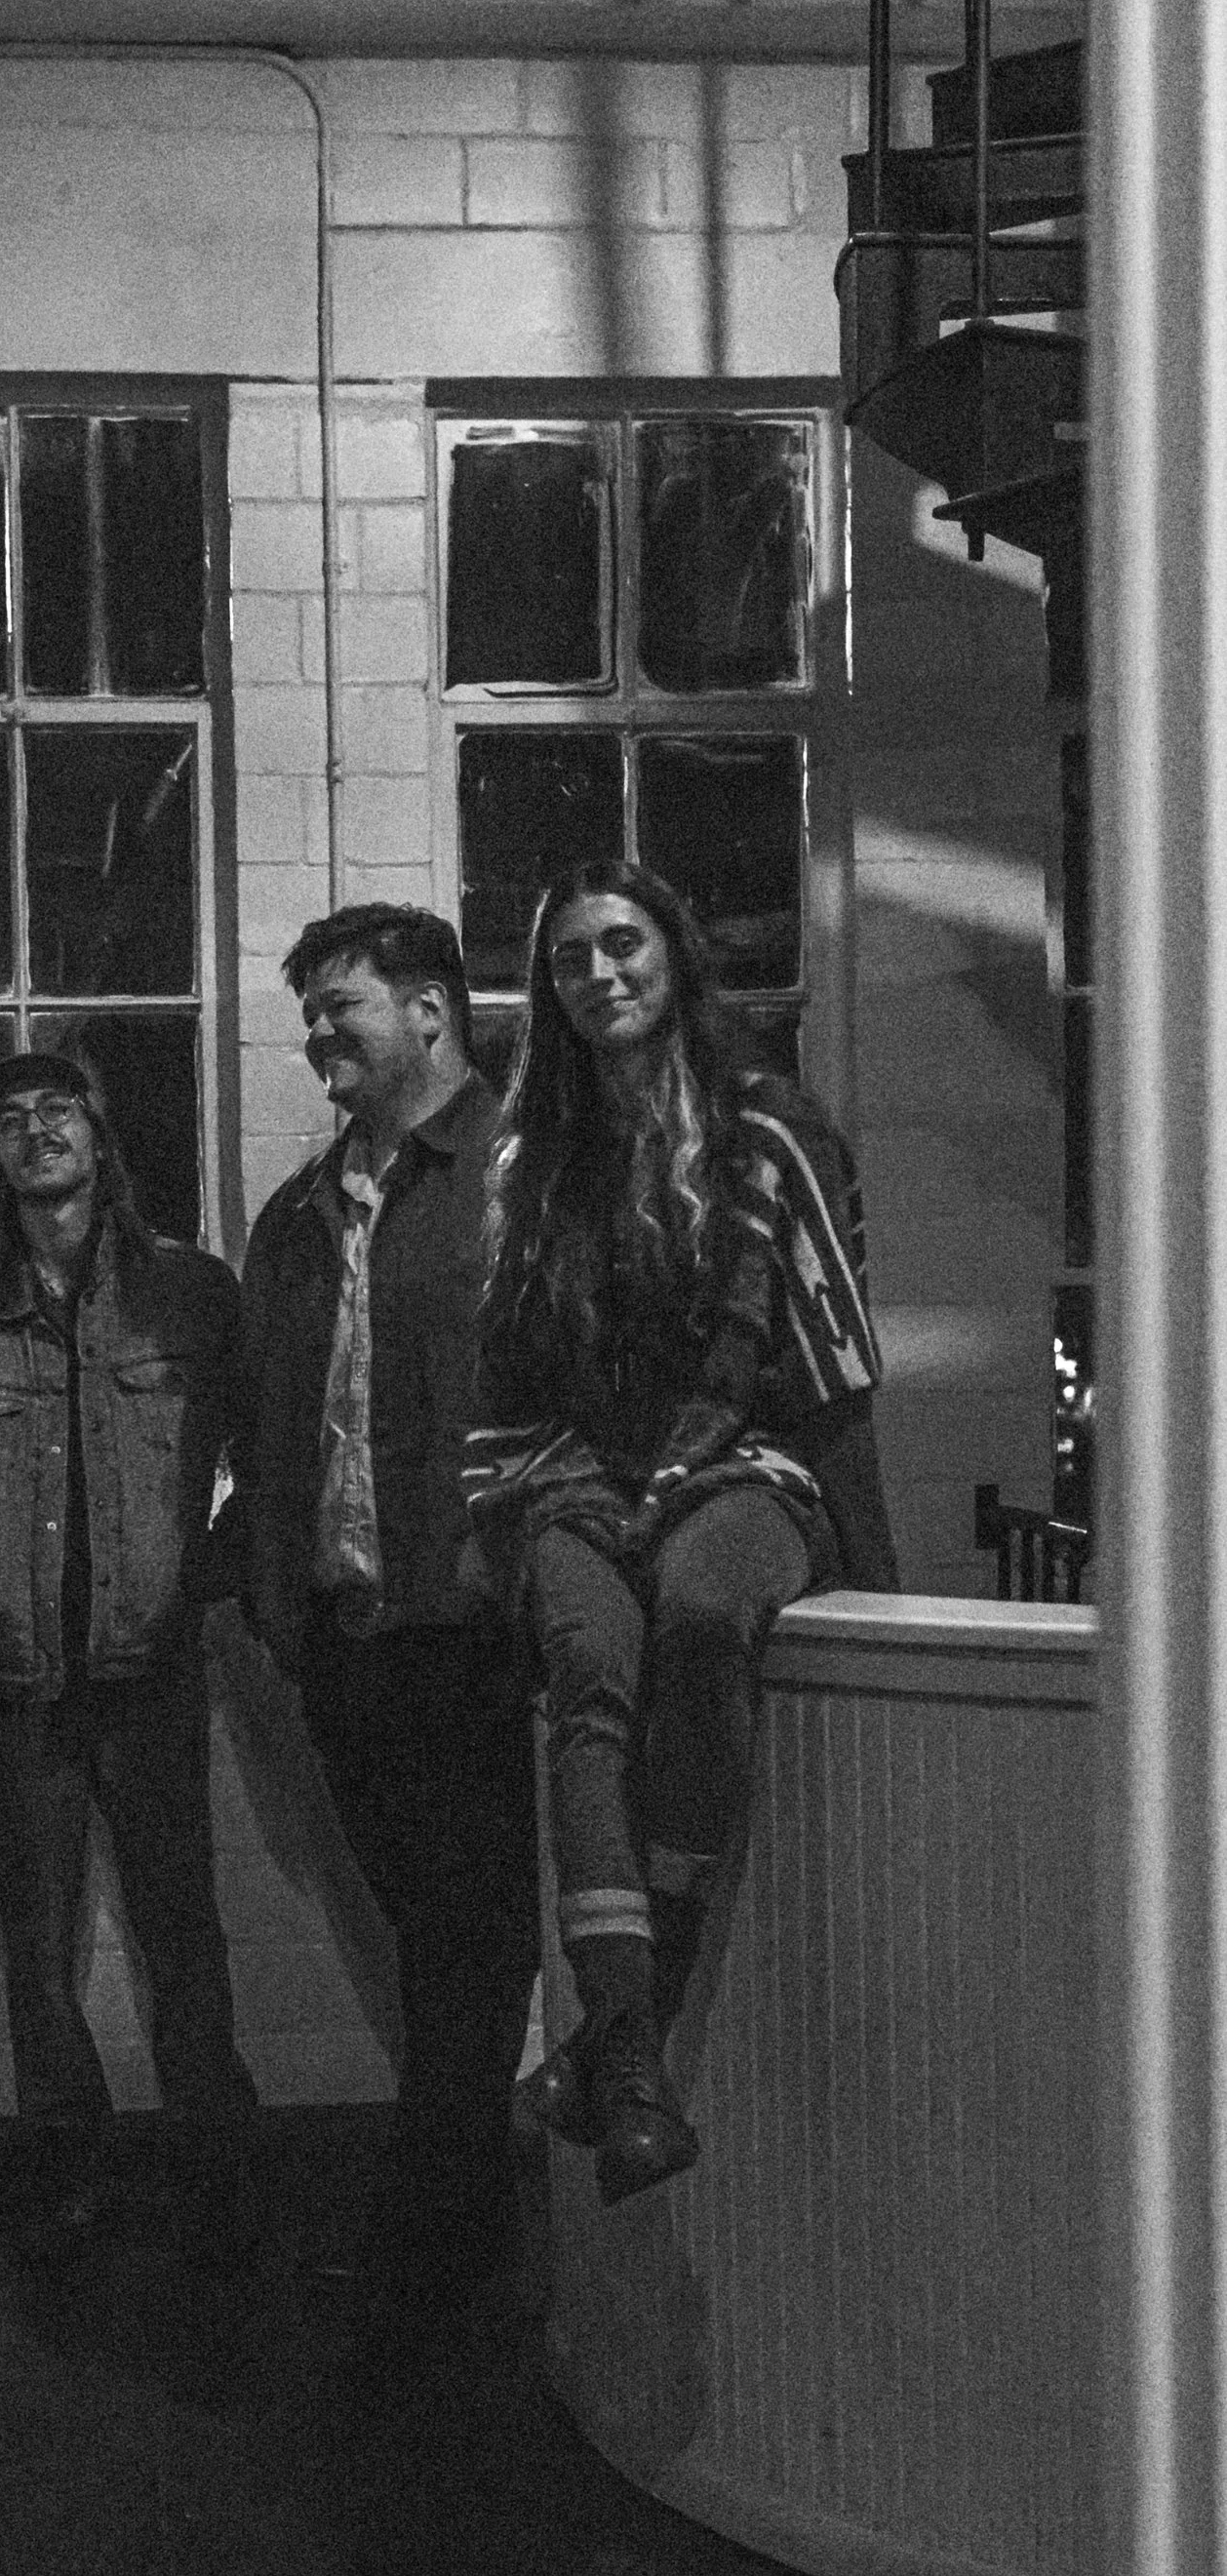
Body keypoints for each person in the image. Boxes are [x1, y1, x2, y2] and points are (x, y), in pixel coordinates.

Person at [465, 860, 898, 2201]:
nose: (599, 975)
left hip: (746, 1464)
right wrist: (526, 1521)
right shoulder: (535, 1159)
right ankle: (639, 2061)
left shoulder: (768, 1129)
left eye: (622, 945)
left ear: (675, 955)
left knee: (708, 1617)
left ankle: (611, 2033)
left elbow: (829, 1368)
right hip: (572, 1474)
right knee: (589, 1671)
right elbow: (505, 1377)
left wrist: (878, 1576)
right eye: (571, 957)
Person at [231, 903, 541, 2354]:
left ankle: (441, 2246)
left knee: (471, 1943)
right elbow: (272, 1422)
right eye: (308, 1014)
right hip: (345, 1635)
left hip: (472, 1631)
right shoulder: (300, 1213)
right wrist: (274, 1602)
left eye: (337, 1007)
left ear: (430, 1011)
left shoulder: (520, 1176)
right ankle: (468, 2222)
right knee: (433, 1936)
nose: (315, 1038)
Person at [0, 1046, 258, 2269]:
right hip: (11, 1680)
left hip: (152, 1669)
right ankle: (70, 2165)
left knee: (185, 1931)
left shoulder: (192, 1296)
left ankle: (218, 2165)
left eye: (59, 1108)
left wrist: (199, 1581)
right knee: (36, 1940)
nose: (36, 1131)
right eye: (9, 1119)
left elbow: (262, 1459)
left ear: (101, 1136)